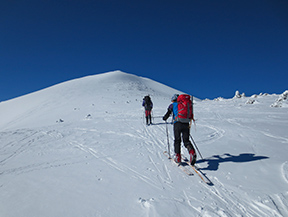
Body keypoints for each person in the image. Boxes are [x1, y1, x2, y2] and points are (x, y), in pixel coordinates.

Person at [162, 94, 196, 165]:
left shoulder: (172, 105)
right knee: (186, 140)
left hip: (177, 123)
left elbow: (168, 113)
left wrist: (164, 118)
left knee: (177, 140)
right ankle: (192, 152)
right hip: (186, 123)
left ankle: (178, 157)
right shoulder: (185, 104)